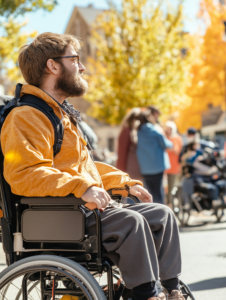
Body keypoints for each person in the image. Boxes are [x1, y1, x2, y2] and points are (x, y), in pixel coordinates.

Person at [1, 32, 185, 300]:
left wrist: (124, 182)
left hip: (80, 211)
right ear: (53, 66)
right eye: (75, 59)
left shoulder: (58, 113)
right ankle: (147, 295)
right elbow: (24, 174)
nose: (82, 67)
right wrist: (81, 186)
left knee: (161, 215)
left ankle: (172, 291)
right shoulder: (26, 117)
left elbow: (84, 167)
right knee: (131, 222)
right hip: (58, 217)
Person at [136, 110, 173, 205]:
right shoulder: (155, 129)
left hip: (145, 169)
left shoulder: (138, 131)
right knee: (158, 193)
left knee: (149, 194)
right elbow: (165, 144)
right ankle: (161, 216)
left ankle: (154, 216)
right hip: (157, 167)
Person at [116, 108, 143, 182]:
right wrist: (121, 171)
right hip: (130, 168)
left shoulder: (133, 130)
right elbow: (122, 152)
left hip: (135, 167)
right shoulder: (127, 131)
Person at [164, 121, 183, 206]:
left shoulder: (177, 138)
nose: (169, 130)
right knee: (165, 189)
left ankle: (170, 204)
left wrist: (167, 147)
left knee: (171, 188)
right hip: (164, 168)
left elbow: (176, 150)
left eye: (170, 129)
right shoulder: (164, 137)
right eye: (168, 129)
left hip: (174, 168)